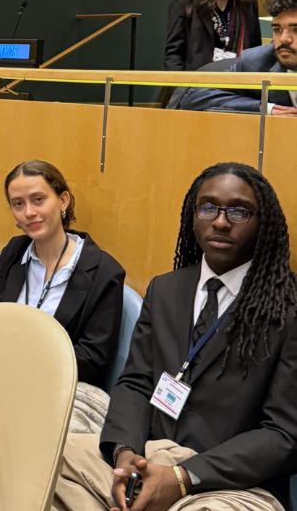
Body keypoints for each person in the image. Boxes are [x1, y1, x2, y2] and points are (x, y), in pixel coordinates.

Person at [54, 162, 297, 511]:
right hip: (149, 458)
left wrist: (184, 477)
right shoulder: (165, 289)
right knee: (48, 457)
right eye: (208, 207)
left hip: (229, 482)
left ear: (264, 224)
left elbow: (285, 434)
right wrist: (125, 454)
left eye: (239, 212)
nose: (220, 221)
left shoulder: (287, 309)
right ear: (192, 214)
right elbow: (136, 383)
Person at [0, 160, 124, 390]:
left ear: (63, 201)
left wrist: (25, 364)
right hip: (2, 377)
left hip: (59, 387)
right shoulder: (12, 253)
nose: (29, 212)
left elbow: (92, 360)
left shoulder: (104, 273)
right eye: (18, 204)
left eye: (38, 200)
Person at [176, 0, 297, 115]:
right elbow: (194, 97)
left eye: (296, 30)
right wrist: (265, 108)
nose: (284, 39)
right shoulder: (256, 62)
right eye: (277, 29)